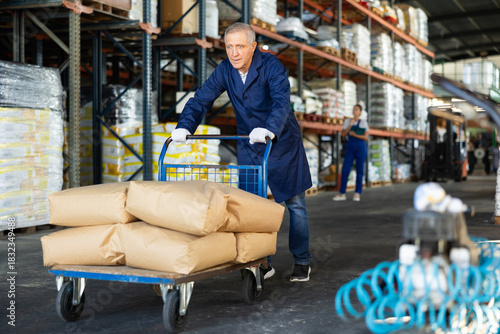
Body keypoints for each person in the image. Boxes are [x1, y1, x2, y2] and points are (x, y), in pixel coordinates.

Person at [171, 23, 313, 282]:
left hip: (280, 141)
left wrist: (269, 129)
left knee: (295, 204)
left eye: (240, 46)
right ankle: (261, 261)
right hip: (250, 144)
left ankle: (302, 260)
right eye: (229, 47)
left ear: (253, 47)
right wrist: (184, 127)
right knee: (251, 207)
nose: (234, 53)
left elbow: (282, 102)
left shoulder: (271, 66)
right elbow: (201, 99)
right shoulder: (225, 70)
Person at [333, 104, 369, 201]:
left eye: (356, 109)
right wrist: (350, 125)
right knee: (345, 169)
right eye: (353, 109)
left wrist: (354, 134)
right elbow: (343, 134)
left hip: (360, 147)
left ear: (360, 112)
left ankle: (357, 193)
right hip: (350, 147)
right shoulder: (347, 122)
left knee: (360, 170)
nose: (354, 111)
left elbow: (365, 137)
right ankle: (342, 193)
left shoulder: (363, 123)